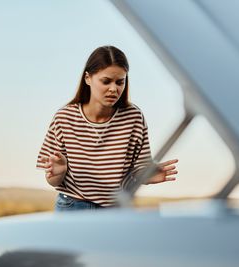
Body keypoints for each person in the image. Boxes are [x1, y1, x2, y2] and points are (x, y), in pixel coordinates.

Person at [36, 45, 178, 211]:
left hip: (116, 209)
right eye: (106, 81)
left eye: (120, 82)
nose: (114, 89)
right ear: (88, 78)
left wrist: (147, 176)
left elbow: (139, 169)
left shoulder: (134, 117)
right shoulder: (64, 118)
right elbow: (53, 180)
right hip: (73, 206)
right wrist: (58, 173)